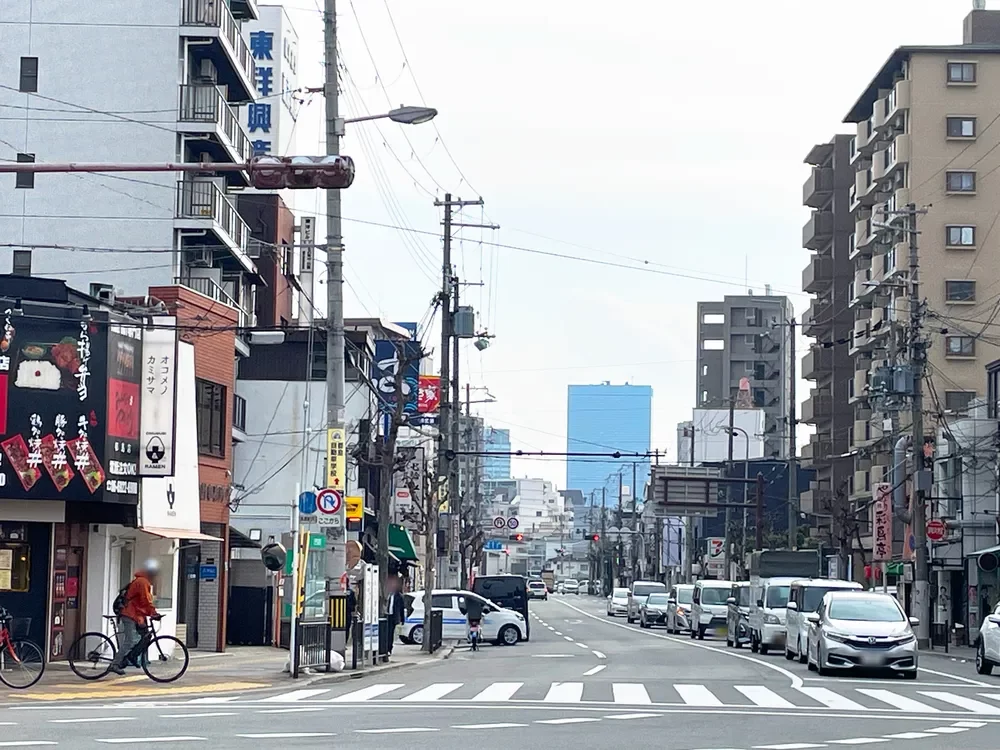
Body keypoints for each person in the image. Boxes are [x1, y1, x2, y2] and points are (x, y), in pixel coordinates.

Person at [111, 559, 161, 675]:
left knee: (146, 636)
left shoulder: (143, 581)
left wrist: (151, 613)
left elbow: (143, 603)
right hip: (129, 614)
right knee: (130, 640)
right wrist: (153, 613)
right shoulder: (142, 582)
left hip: (138, 615)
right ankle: (115, 664)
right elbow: (145, 601)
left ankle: (131, 656)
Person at [386, 577, 406, 657]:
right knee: (385, 633)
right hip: (386, 615)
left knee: (390, 634)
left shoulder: (399, 596)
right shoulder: (387, 595)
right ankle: (384, 648)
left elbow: (401, 609)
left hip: (393, 617)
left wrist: (402, 619)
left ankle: (389, 649)